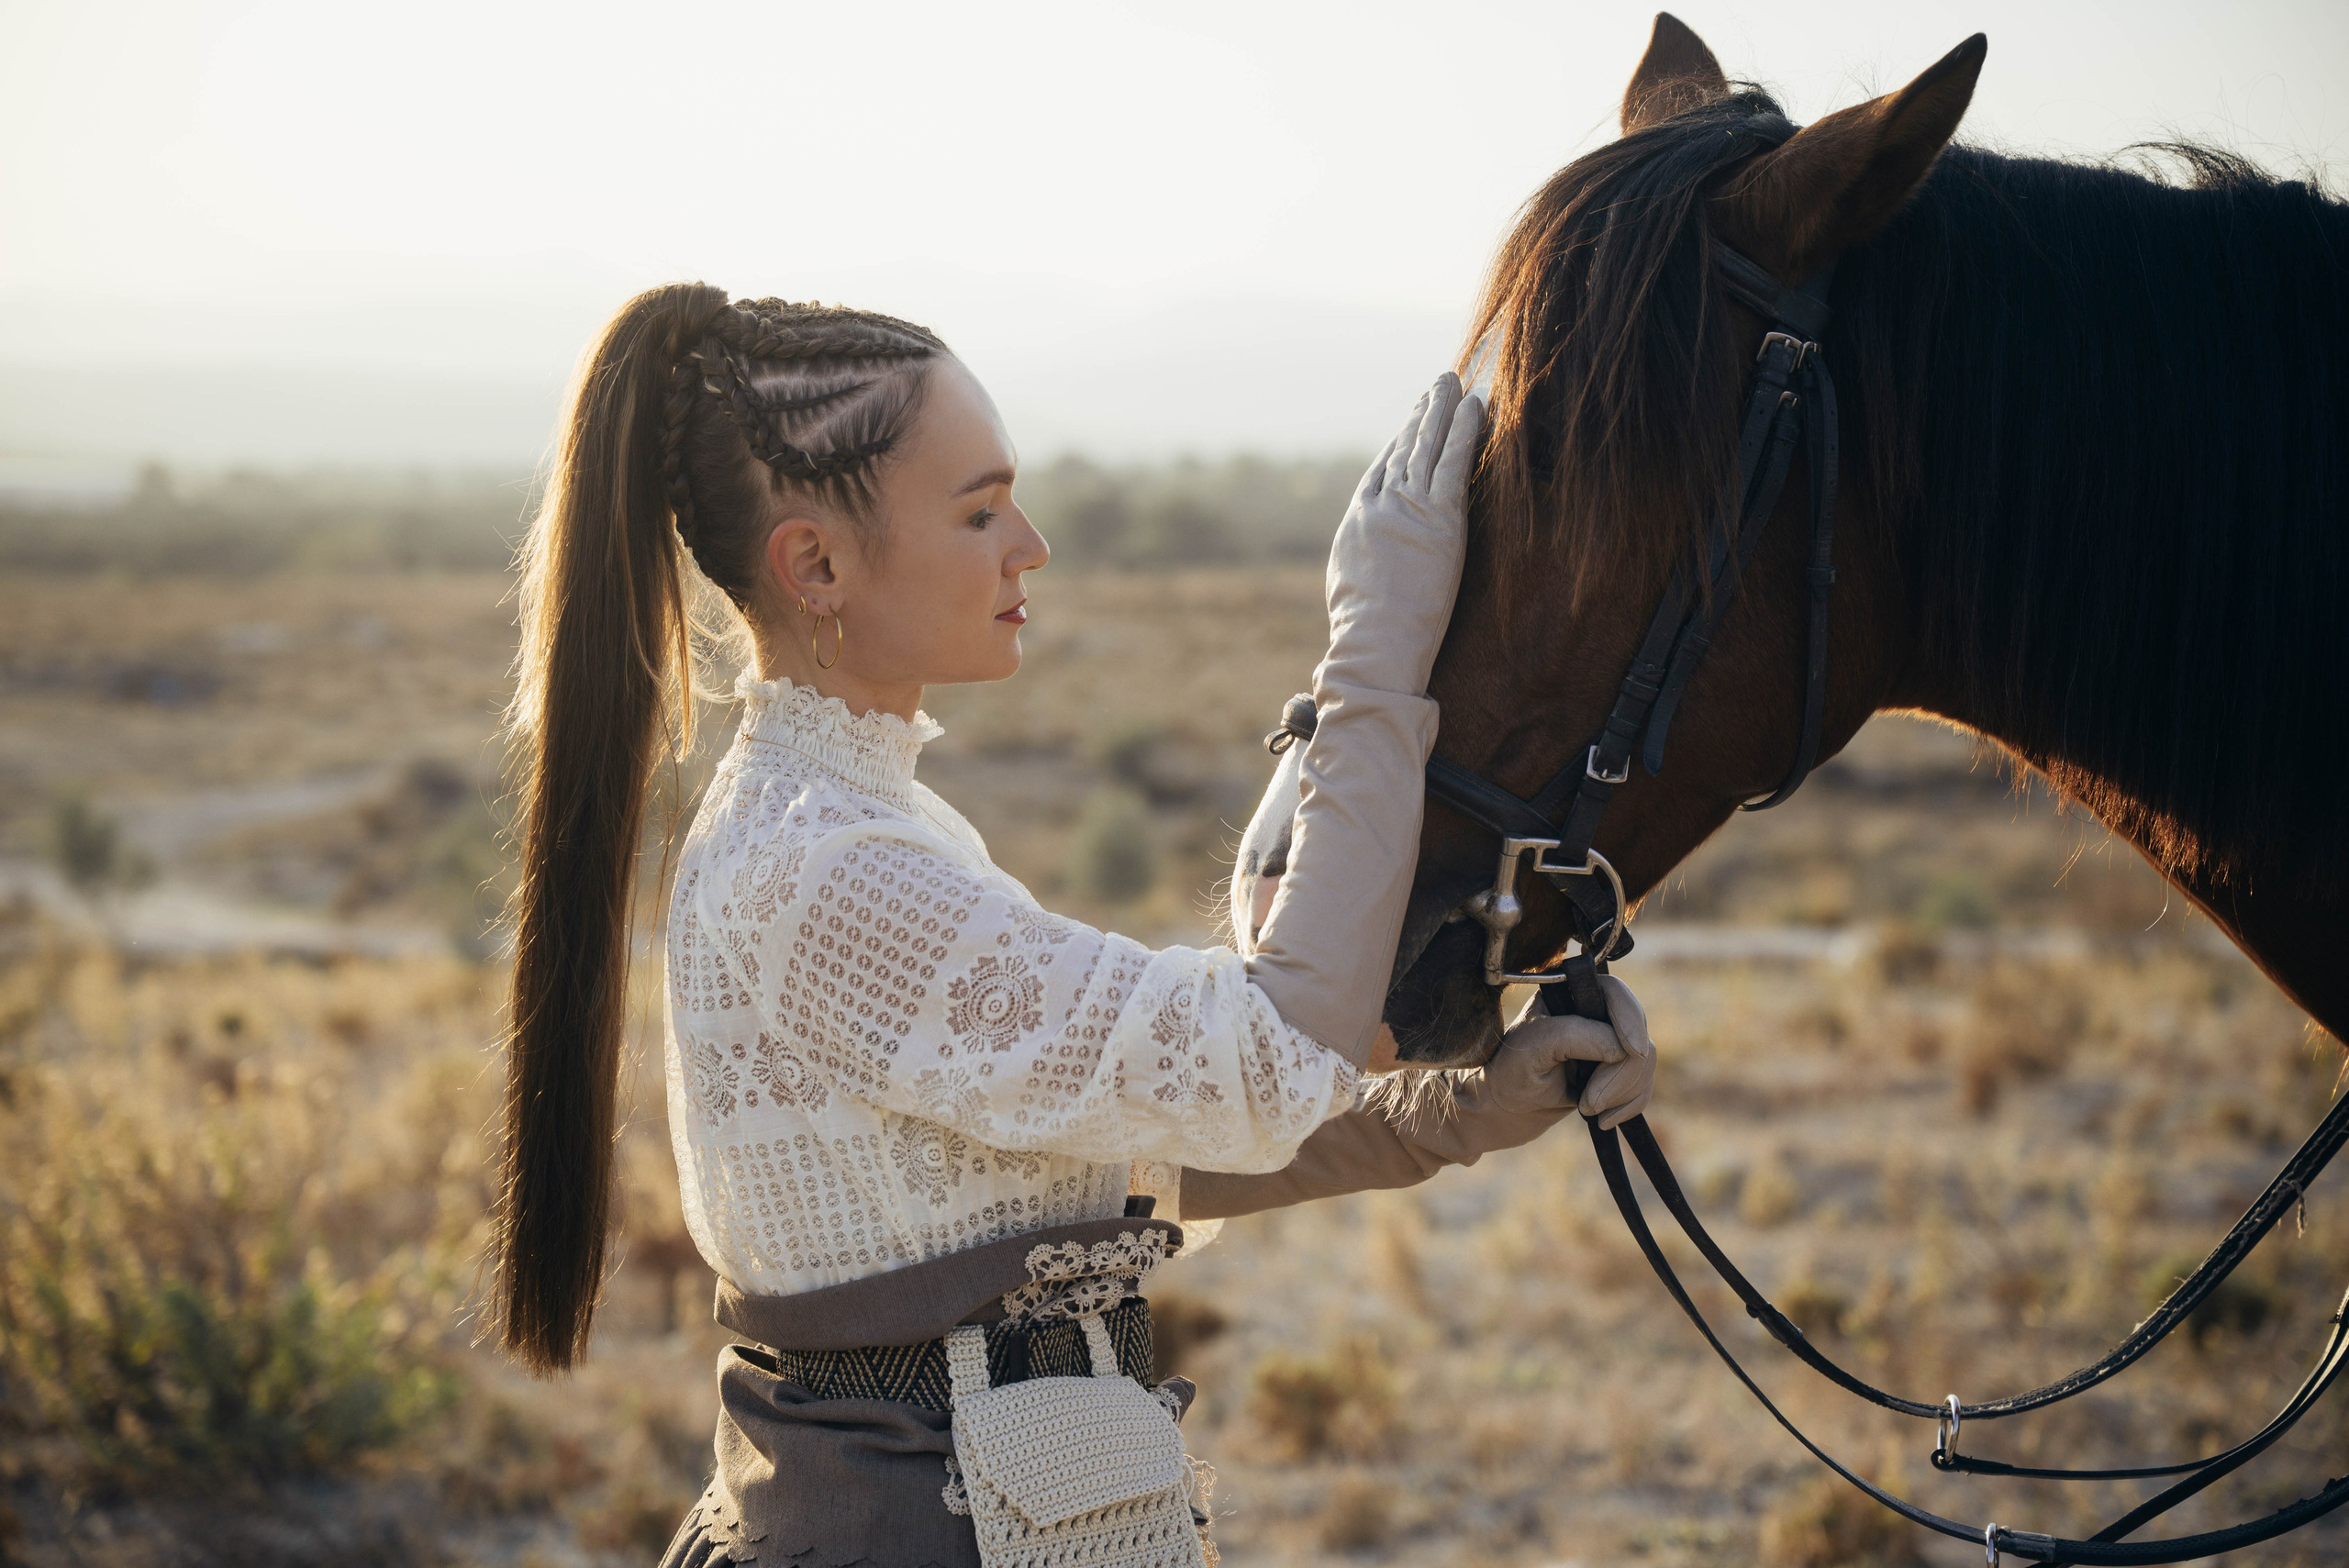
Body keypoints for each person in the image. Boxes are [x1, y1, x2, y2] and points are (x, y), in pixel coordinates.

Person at [492, 284, 1658, 1568]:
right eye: (980, 509)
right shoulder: (818, 866)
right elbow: (1263, 1050)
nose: (1030, 543)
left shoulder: (872, 827)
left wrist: (1460, 1112)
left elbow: (1119, 1158)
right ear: (815, 563)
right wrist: (1378, 649)